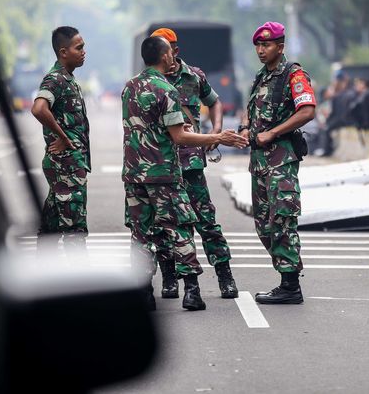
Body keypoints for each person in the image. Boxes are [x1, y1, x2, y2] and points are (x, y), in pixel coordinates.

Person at [122, 35, 247, 311]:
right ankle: (191, 290)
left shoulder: (130, 87)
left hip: (136, 175)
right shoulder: (166, 89)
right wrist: (219, 137)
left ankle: (144, 292)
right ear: (164, 54)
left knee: (142, 234)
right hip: (165, 172)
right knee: (179, 229)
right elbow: (178, 136)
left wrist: (211, 132)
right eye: (168, 51)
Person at [150, 27, 239, 300]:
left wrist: (216, 131)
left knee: (206, 222)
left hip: (190, 165)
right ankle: (169, 279)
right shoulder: (149, 82)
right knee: (164, 226)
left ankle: (225, 276)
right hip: (162, 166)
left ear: (175, 50)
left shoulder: (194, 76)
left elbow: (215, 102)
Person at [238, 21, 316, 305]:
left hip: (281, 160)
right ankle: (286, 277)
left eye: (266, 45)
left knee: (282, 220)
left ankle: (290, 284)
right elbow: (250, 113)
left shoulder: (293, 75)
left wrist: (274, 131)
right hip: (258, 161)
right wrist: (244, 128)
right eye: (258, 45)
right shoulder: (261, 77)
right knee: (263, 224)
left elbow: (307, 110)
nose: (261, 50)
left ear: (280, 47)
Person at [31, 26, 91, 257]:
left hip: (66, 165)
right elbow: (38, 109)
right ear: (63, 52)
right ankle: (79, 284)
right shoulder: (55, 79)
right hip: (66, 166)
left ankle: (43, 277)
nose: (84, 51)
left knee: (51, 226)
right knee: (74, 228)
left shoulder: (67, 79)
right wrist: (63, 137)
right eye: (79, 47)